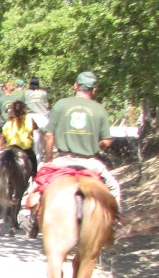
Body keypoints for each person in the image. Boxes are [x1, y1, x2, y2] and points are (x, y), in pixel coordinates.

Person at [27, 70, 122, 216]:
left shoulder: (60, 105)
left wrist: (49, 161)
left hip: (63, 160)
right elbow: (107, 141)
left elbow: (49, 136)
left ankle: (32, 219)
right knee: (114, 188)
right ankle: (117, 222)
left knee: (37, 187)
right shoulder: (100, 110)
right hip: (90, 163)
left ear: (75, 85)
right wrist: (97, 146)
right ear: (94, 89)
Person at [1, 99, 39, 176]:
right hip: (25, 148)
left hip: (10, 148)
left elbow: (4, 132)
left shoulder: (9, 120)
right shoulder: (29, 119)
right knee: (33, 160)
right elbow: (35, 128)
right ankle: (34, 176)